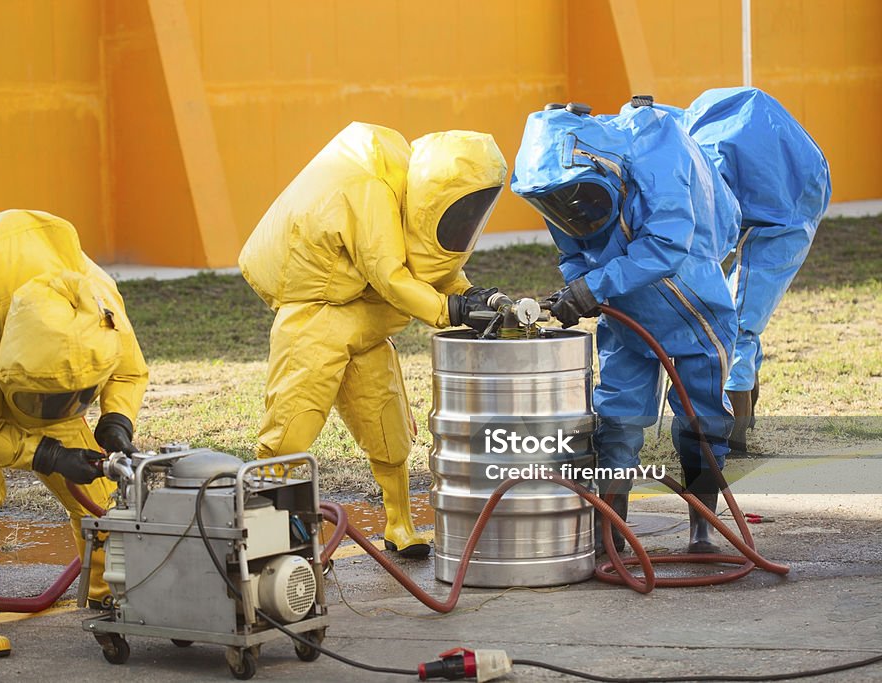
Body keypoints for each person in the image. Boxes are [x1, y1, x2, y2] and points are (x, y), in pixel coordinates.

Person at [240, 122, 507, 557]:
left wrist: (470, 294)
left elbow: (423, 260)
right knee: (290, 431)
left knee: (389, 429)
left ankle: (399, 525)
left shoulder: (410, 195)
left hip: (368, 324)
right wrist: (448, 311)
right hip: (316, 318)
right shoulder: (371, 193)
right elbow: (389, 273)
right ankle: (273, 544)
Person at [0, 210, 148, 658]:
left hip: (42, 371)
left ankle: (102, 593)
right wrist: (49, 455)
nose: (60, 414)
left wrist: (116, 419)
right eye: (51, 401)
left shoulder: (98, 300)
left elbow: (128, 370)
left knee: (94, 489)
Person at [511, 101, 740, 555]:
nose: (565, 211)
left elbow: (666, 244)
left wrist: (595, 286)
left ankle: (703, 528)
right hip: (624, 313)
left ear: (605, 169)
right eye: (551, 204)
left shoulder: (660, 153)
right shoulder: (559, 184)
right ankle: (611, 534)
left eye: (570, 199)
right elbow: (573, 252)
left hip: (694, 306)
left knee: (702, 420)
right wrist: (578, 287)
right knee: (616, 420)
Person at [630, 88, 831, 451]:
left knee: (737, 319)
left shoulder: (698, 163)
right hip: (771, 164)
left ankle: (732, 438)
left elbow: (702, 237)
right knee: (738, 308)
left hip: (789, 203)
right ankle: (743, 416)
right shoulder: (679, 128)